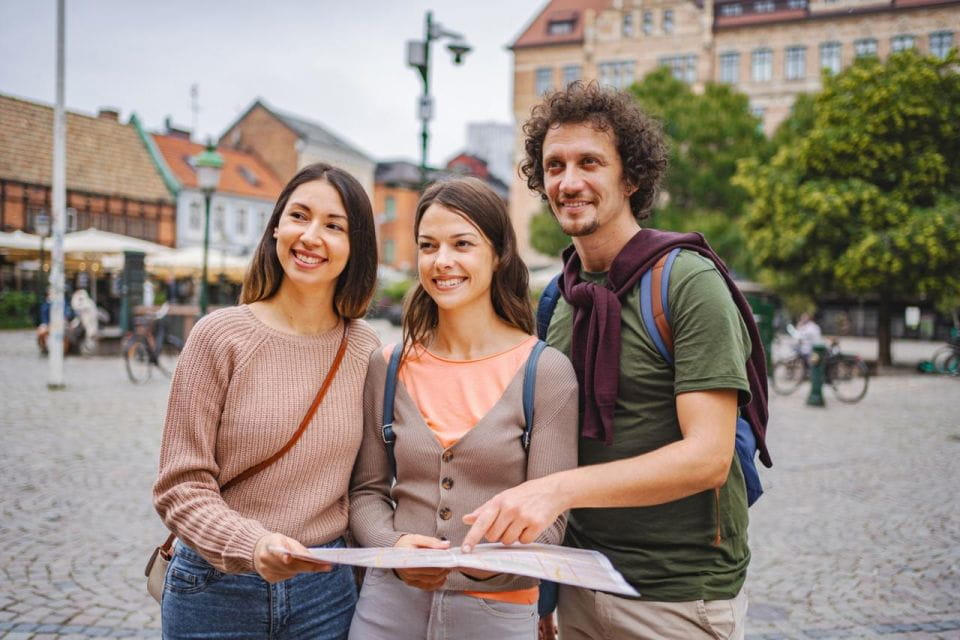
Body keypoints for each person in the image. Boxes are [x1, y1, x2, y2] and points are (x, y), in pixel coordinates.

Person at [461, 82, 768, 639]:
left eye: (589, 162)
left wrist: (560, 490)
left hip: (677, 595)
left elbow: (707, 457)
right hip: (579, 583)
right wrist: (545, 595)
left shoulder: (686, 282)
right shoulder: (559, 298)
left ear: (630, 178)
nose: (568, 181)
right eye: (554, 165)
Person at [153, 163, 380, 640]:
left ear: (355, 246)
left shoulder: (365, 350)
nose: (311, 236)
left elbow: (366, 489)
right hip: (215, 590)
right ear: (276, 226)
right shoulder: (219, 337)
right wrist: (252, 544)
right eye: (298, 216)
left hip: (326, 594)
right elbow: (181, 485)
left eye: (334, 225)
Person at [348, 177, 579, 640]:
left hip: (496, 612)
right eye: (428, 246)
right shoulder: (387, 364)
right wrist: (393, 548)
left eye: (462, 244)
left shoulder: (546, 372)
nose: (442, 261)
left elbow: (552, 520)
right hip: (388, 607)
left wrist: (483, 567)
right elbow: (366, 493)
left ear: (497, 255)